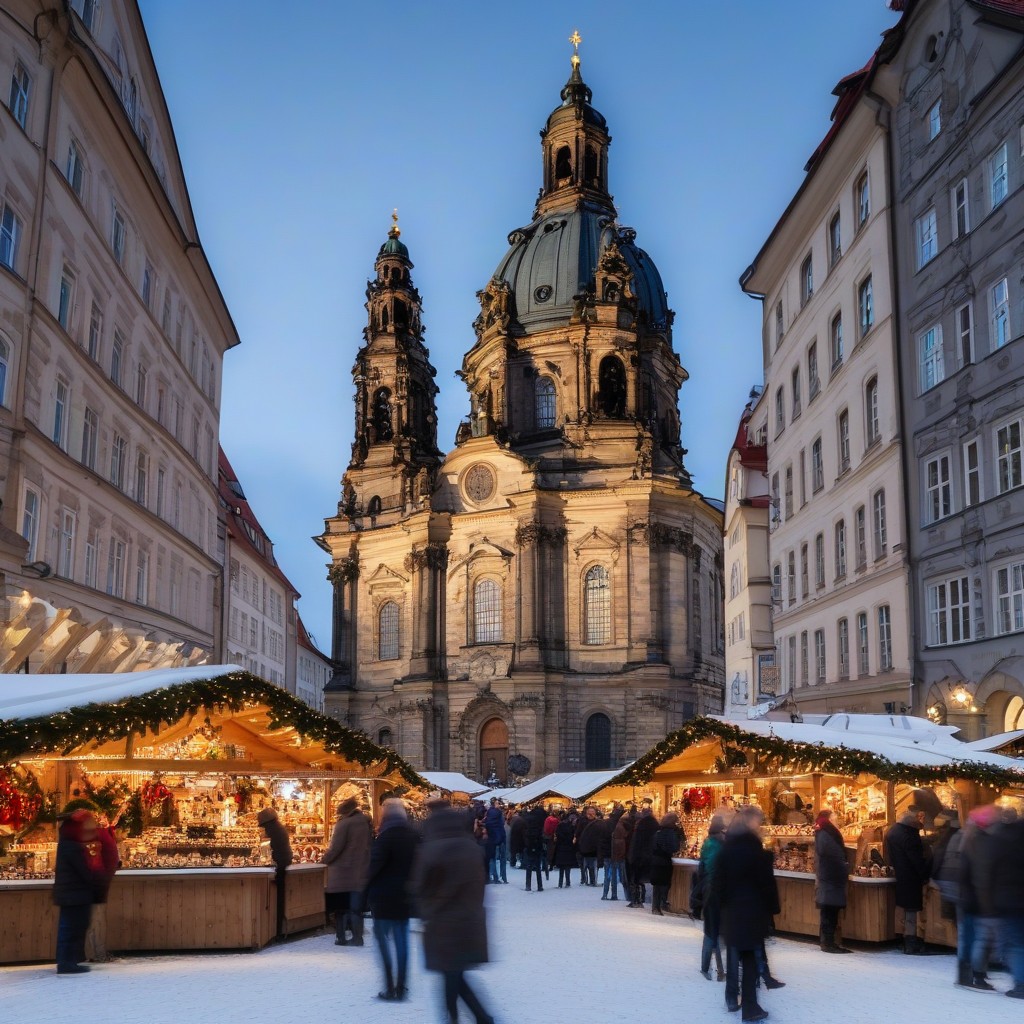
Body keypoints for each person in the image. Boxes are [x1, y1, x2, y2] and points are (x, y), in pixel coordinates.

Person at [413, 805, 493, 1024]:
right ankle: (479, 1017)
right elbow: (481, 882)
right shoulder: (472, 848)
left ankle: (457, 1018)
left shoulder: (430, 850)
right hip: (470, 919)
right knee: (455, 973)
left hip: (442, 922)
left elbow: (419, 886)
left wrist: (426, 909)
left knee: (451, 972)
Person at [713, 806, 779, 1023]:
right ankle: (750, 1006)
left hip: (733, 912)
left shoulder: (727, 850)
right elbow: (765, 883)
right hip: (752, 912)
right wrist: (772, 909)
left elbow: (718, 883)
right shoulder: (755, 850)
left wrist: (722, 907)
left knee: (735, 957)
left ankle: (734, 999)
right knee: (750, 960)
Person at [366, 799, 420, 1002]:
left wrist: (363, 892)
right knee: (402, 942)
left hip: (383, 899)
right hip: (404, 897)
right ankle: (401, 986)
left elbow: (373, 868)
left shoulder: (385, 838)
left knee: (383, 942)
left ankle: (390, 986)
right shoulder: (412, 837)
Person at [53, 809, 105, 974]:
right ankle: (66, 963)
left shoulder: (69, 843)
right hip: (74, 894)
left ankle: (71, 960)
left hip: (74, 894)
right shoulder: (72, 846)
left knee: (74, 927)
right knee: (70, 928)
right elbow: (84, 869)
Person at [958, 803, 1002, 989]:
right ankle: (975, 975)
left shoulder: (968, 838)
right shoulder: (979, 841)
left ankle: (968, 975)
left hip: (970, 898)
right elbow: (980, 875)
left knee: (972, 938)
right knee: (978, 939)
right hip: (977, 899)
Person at [323, 796, 373, 946]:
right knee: (356, 907)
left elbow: (335, 849)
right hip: (360, 869)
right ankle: (358, 936)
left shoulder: (344, 824)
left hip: (342, 871)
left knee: (340, 906)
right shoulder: (365, 823)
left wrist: (324, 861)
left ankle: (341, 937)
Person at [885, 801, 931, 954]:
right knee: (911, 910)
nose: (921, 821)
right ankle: (910, 941)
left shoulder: (893, 831)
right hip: (910, 876)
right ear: (913, 820)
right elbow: (916, 859)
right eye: (920, 818)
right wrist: (924, 873)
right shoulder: (910, 836)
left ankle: (903, 938)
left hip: (899, 875)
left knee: (902, 908)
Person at [992, 808, 1024, 999]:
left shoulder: (1001, 840)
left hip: (1010, 900)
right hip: (1012, 897)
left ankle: (1021, 983)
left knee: (1014, 944)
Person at [813, 808, 851, 953]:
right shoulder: (826, 832)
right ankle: (828, 942)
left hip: (829, 875)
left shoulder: (824, 831)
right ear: (829, 818)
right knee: (830, 908)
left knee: (829, 908)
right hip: (831, 875)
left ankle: (827, 941)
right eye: (834, 817)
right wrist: (844, 865)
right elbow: (831, 853)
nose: (836, 819)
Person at [697, 814, 726, 981]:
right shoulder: (718, 847)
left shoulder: (708, 843)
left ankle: (705, 966)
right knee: (715, 931)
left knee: (710, 930)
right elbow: (717, 869)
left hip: (708, 889)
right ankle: (719, 969)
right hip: (715, 890)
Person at [258, 807, 294, 937]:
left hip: (279, 865)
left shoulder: (272, 831)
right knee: (280, 897)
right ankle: (278, 928)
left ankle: (277, 929)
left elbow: (268, 849)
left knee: (277, 898)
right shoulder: (278, 828)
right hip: (283, 864)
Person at [649, 812, 682, 915]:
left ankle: (655, 907)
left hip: (655, 861)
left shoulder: (657, 832)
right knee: (664, 883)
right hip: (664, 861)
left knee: (657, 885)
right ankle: (663, 903)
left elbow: (652, 845)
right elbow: (674, 847)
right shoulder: (671, 833)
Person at [628, 802, 659, 907]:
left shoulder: (640, 826)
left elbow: (636, 843)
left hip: (639, 856)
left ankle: (637, 900)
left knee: (636, 878)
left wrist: (631, 856)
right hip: (652, 856)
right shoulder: (656, 826)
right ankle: (648, 899)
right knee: (649, 880)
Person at [611, 809, 634, 903]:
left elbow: (617, 843)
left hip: (622, 855)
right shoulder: (624, 825)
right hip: (625, 855)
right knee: (625, 877)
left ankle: (623, 895)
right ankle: (629, 896)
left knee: (622, 877)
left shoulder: (619, 826)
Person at [523, 803, 546, 892]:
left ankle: (528, 885)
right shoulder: (540, 820)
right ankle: (539, 886)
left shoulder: (528, 820)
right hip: (538, 843)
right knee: (537, 865)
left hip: (529, 843)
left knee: (529, 865)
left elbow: (525, 832)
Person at [483, 799, 506, 884]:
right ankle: (503, 877)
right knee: (501, 858)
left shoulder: (489, 814)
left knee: (492, 859)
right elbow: (502, 824)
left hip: (492, 838)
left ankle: (494, 877)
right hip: (500, 838)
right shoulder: (499, 814)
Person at [577, 807, 600, 886]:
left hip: (592, 847)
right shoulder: (583, 822)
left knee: (591, 865)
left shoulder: (596, 822)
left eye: (593, 812)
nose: (592, 814)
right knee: (587, 864)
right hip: (586, 847)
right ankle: (586, 879)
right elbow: (578, 832)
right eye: (590, 812)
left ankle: (591, 880)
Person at [553, 811, 577, 887]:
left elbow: (556, 836)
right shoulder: (571, 827)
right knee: (567, 867)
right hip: (569, 847)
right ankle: (568, 882)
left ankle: (560, 883)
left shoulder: (559, 826)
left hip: (561, 848)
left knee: (561, 868)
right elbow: (573, 836)